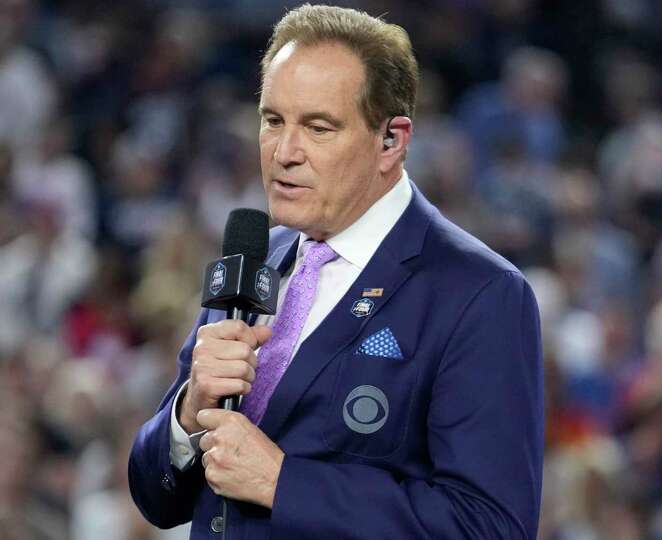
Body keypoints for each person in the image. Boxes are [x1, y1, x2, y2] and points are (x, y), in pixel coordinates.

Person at [127, 5, 544, 539]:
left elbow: (490, 527)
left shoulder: (480, 294)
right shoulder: (253, 264)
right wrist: (187, 416)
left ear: (391, 141)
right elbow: (156, 498)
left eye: (318, 128)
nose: (284, 152)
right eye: (272, 120)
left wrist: (284, 482)